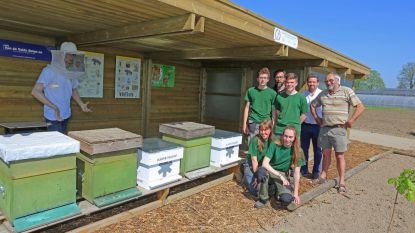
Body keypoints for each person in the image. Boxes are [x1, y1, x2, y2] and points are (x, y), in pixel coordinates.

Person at [310, 72, 365, 194]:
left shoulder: (346, 91)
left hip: (339, 129)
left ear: (337, 81)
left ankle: (341, 182)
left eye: (331, 80)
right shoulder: (323, 94)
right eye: (326, 81)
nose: (328, 83)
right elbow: (313, 105)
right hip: (325, 129)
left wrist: (351, 120)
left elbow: (360, 107)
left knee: (339, 156)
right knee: (326, 154)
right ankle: (323, 176)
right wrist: (316, 118)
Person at [32, 42, 92, 134]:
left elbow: (73, 90)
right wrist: (54, 107)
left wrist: (81, 104)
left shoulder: (71, 72)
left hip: (66, 115)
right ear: (61, 55)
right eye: (68, 56)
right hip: (53, 116)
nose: (71, 59)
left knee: (63, 144)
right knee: (56, 146)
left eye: (72, 56)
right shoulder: (49, 71)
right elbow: (36, 91)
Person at [254, 125, 305, 208]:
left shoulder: (298, 150)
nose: (287, 139)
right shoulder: (275, 144)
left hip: (283, 173)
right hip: (270, 170)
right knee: (262, 172)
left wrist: (296, 194)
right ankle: (263, 198)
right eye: (285, 136)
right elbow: (265, 164)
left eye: (290, 137)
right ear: (282, 135)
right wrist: (280, 176)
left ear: (295, 138)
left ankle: (275, 191)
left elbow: (296, 173)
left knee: (286, 199)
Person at [242, 67, 277, 144]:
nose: (262, 80)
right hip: (253, 121)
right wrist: (244, 124)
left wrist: (273, 124)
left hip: (266, 122)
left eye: (265, 78)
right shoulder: (251, 91)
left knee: (265, 145)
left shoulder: (272, 93)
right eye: (261, 77)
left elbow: (273, 110)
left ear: (268, 79)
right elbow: (247, 108)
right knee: (252, 144)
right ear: (257, 79)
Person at [242, 119, 274, 196]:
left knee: (268, 188)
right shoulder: (255, 140)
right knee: (254, 191)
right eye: (261, 130)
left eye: (266, 130)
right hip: (252, 164)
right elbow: (254, 160)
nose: (263, 132)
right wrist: (257, 177)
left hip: (263, 165)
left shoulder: (273, 140)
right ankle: (243, 169)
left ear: (270, 130)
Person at [300, 74, 323, 179]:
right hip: (305, 126)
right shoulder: (303, 95)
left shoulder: (322, 94)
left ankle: (316, 171)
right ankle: (304, 169)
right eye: (310, 82)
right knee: (304, 149)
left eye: (314, 82)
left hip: (318, 126)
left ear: (318, 83)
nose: (312, 84)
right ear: (307, 83)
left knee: (317, 150)